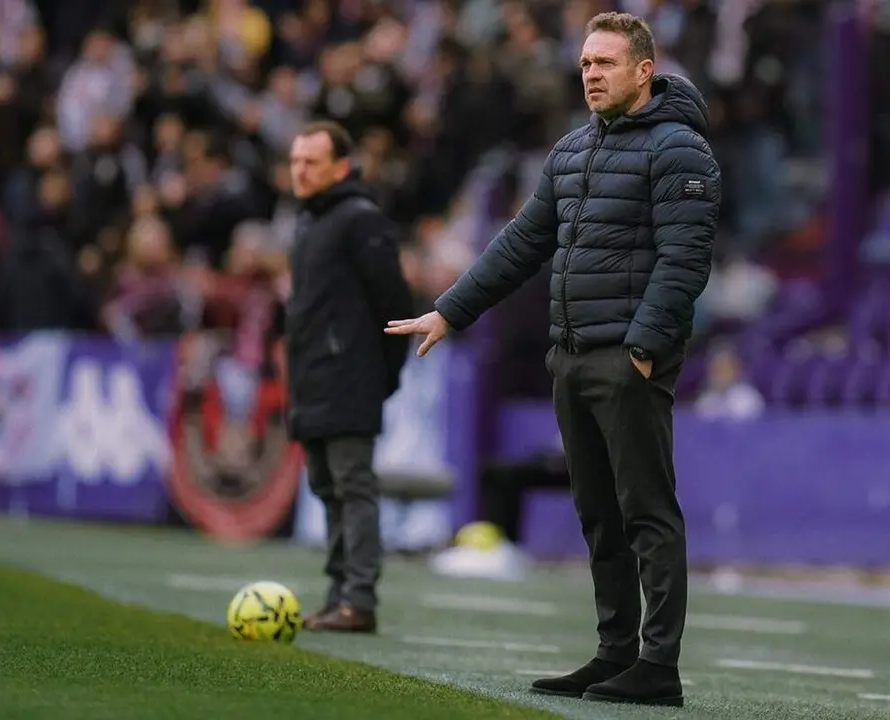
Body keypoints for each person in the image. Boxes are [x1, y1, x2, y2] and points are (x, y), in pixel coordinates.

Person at [386, 12, 720, 707]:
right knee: (598, 513)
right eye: (585, 65)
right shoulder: (573, 151)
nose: (591, 75)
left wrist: (643, 348)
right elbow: (520, 244)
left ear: (644, 70)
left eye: (605, 63)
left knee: (646, 512)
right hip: (570, 355)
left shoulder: (680, 149)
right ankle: (614, 652)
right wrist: (451, 309)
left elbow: (685, 261)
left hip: (626, 358)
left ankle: (659, 664)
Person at [285, 120, 413, 633]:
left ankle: (358, 598)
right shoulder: (309, 222)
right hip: (312, 380)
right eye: (295, 161)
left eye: (310, 162)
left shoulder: (361, 220)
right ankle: (339, 594)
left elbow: (394, 304)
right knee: (327, 488)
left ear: (341, 167)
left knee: (352, 486)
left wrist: (381, 374)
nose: (299, 171)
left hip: (348, 379)